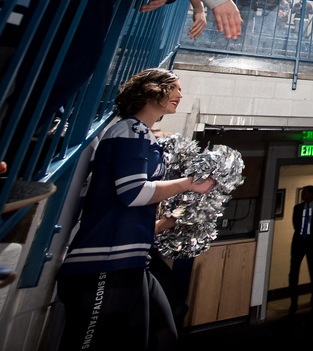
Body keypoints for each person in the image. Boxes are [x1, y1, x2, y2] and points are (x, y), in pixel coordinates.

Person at [57, 68, 216, 351]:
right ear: (152, 90)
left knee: (164, 333)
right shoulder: (129, 131)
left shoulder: (143, 135)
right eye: (175, 88)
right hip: (103, 263)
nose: (180, 94)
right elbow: (132, 193)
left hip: (130, 260)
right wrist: (189, 184)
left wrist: (170, 220)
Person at [288, 184, 313, 315]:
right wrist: (303, 235)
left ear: (311, 194)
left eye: (304, 193)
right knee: (293, 273)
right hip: (299, 243)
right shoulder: (298, 208)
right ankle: (293, 302)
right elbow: (296, 224)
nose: (302, 195)